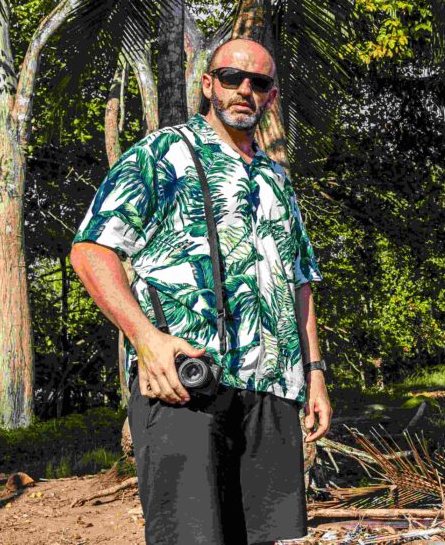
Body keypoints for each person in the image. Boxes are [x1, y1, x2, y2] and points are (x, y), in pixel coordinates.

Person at [70, 38, 332, 545]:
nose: (245, 90)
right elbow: (91, 251)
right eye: (232, 77)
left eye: (259, 83)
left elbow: (300, 281)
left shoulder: (277, 180)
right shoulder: (162, 154)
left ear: (271, 97)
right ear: (209, 84)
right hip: (185, 386)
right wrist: (146, 340)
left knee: (262, 537)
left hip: (272, 389)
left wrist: (315, 374)